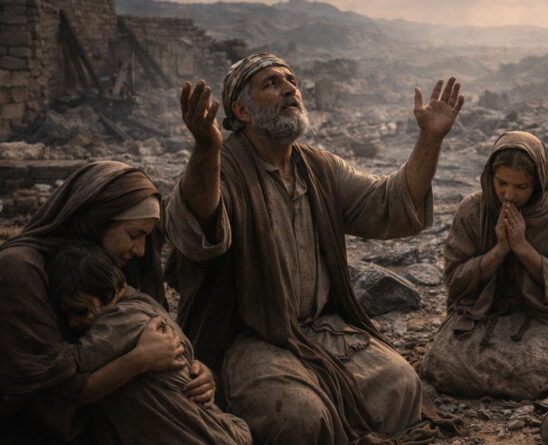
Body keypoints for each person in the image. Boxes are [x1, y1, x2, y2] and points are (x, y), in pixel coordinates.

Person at [165, 52, 464, 444]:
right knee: (297, 416)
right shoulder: (224, 168)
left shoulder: (318, 167)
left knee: (400, 384)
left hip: (320, 330)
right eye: (272, 83)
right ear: (241, 109)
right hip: (250, 338)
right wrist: (206, 149)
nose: (290, 88)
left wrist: (429, 139)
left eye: (292, 81)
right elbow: (200, 226)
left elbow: (389, 206)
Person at [0, 161, 217, 444]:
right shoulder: (20, 271)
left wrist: (189, 369)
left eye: (146, 238)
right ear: (98, 220)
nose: (140, 251)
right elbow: (48, 395)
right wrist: (139, 360)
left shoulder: (109, 268)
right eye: (133, 235)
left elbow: (151, 332)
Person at [419, 131, 548, 399]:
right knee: (444, 363)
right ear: (489, 177)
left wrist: (522, 247)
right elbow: (456, 282)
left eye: (521, 187)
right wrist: (500, 250)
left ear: (539, 182)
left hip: (543, 318)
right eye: (502, 183)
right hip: (480, 317)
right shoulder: (473, 210)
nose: (509, 195)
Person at [49, 243, 252, 445]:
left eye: (82, 311)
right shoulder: (147, 304)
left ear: (109, 294)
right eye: (66, 315)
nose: (73, 323)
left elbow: (75, 363)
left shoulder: (122, 319)